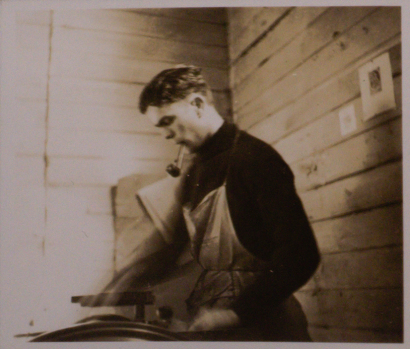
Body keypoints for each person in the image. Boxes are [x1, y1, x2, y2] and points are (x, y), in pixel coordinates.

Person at [134, 65, 321, 341]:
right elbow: (174, 246)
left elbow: (301, 255)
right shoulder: (194, 173)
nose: (165, 135)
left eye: (167, 121)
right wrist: (129, 277)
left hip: (266, 324)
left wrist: (236, 314)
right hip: (215, 320)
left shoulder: (255, 158)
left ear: (197, 104)